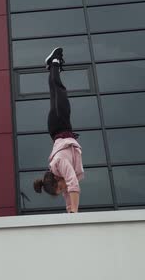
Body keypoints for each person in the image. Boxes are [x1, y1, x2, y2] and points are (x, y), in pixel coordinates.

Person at [33, 47, 84, 213]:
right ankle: (52, 67)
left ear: (56, 180)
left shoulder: (60, 163)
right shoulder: (60, 171)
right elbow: (69, 191)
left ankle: (53, 62)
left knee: (59, 91)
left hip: (58, 124)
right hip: (62, 127)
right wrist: (69, 210)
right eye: (61, 191)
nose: (63, 190)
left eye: (60, 188)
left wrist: (75, 212)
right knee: (56, 92)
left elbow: (72, 185)